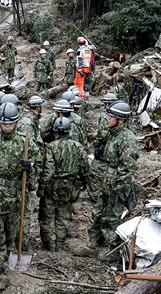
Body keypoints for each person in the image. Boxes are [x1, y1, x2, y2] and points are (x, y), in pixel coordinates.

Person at [0, 103, 41, 290]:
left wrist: (30, 167)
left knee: (11, 234)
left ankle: (5, 260)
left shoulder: (26, 142)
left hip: (16, 196)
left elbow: (39, 165)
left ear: (16, 123)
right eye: (3, 124)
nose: (6, 127)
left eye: (10, 124)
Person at [77, 101, 139, 261]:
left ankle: (114, 250)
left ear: (120, 120)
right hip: (107, 180)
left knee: (111, 217)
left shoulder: (127, 139)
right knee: (98, 212)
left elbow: (128, 167)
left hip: (116, 184)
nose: (107, 119)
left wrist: (116, 189)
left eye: (111, 116)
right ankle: (92, 245)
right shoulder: (113, 133)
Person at [38, 117, 88, 251]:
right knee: (64, 215)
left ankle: (50, 244)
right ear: (69, 131)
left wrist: (41, 186)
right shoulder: (78, 147)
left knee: (47, 216)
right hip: (70, 186)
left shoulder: (51, 147)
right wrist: (83, 183)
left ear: (55, 131)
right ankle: (60, 243)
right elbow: (85, 168)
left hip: (52, 186)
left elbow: (48, 169)